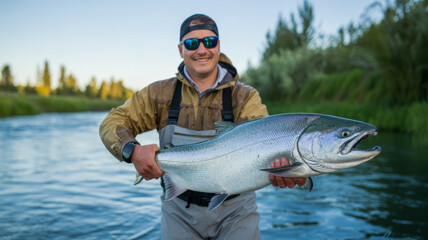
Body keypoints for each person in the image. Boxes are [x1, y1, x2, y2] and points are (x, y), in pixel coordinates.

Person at [99, 13, 306, 240]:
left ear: (218, 46)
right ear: (181, 49)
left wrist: (287, 168)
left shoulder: (245, 97)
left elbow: (263, 140)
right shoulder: (159, 94)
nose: (201, 49)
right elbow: (113, 122)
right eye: (191, 43)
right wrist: (132, 151)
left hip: (237, 210)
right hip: (178, 209)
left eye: (209, 41)